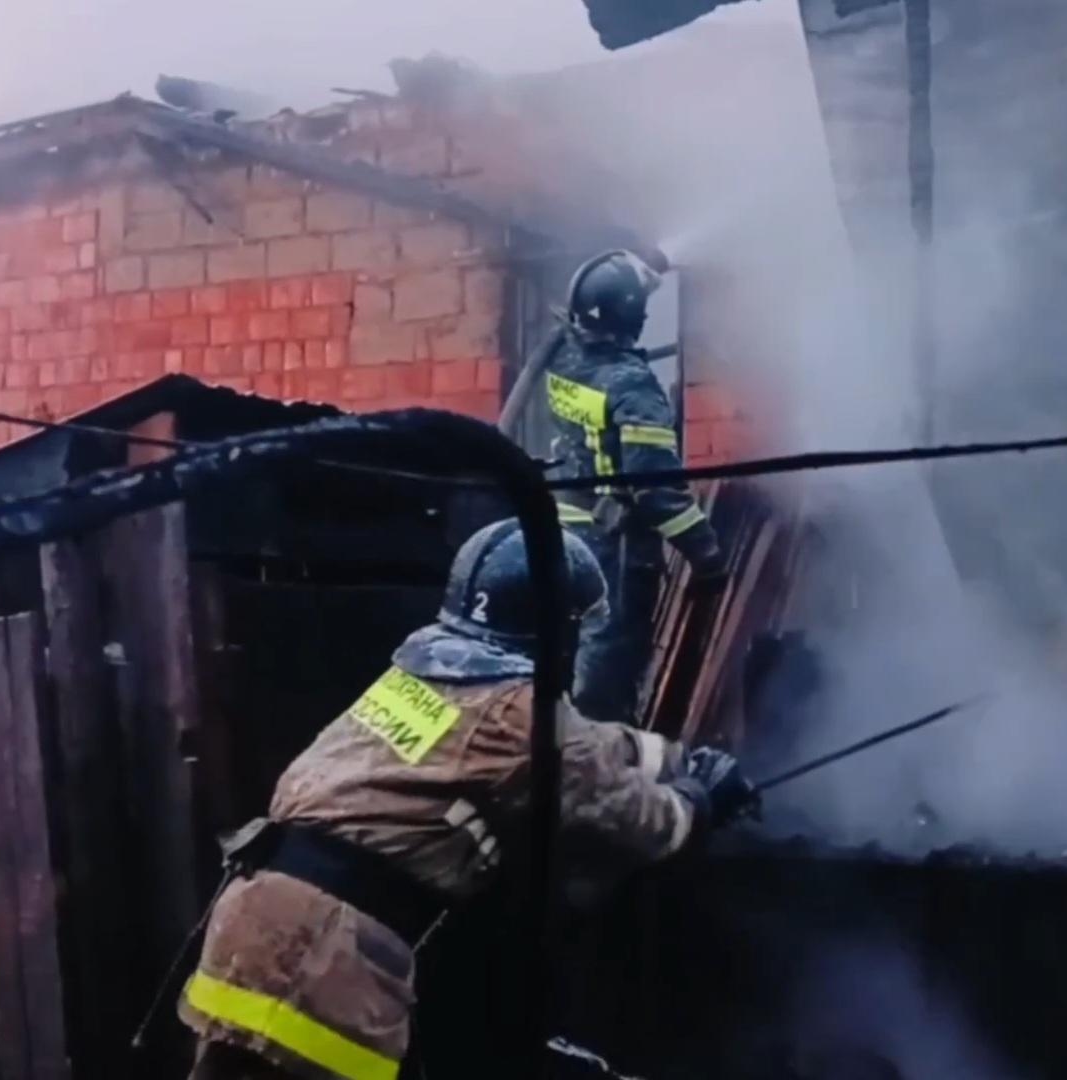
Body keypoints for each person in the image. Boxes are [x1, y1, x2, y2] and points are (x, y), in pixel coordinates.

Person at [177, 518, 758, 1079]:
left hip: (255, 926)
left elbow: (579, 746)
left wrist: (675, 757)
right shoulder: (523, 716)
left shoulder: (431, 678)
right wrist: (699, 800)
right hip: (324, 961)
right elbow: (634, 822)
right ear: (561, 630)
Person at [544, 248, 726, 727]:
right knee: (608, 657)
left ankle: (562, 740)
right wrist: (706, 553)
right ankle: (598, 750)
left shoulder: (566, 360)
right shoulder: (632, 387)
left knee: (570, 645)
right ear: (630, 315)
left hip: (565, 528)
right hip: (614, 541)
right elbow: (655, 489)